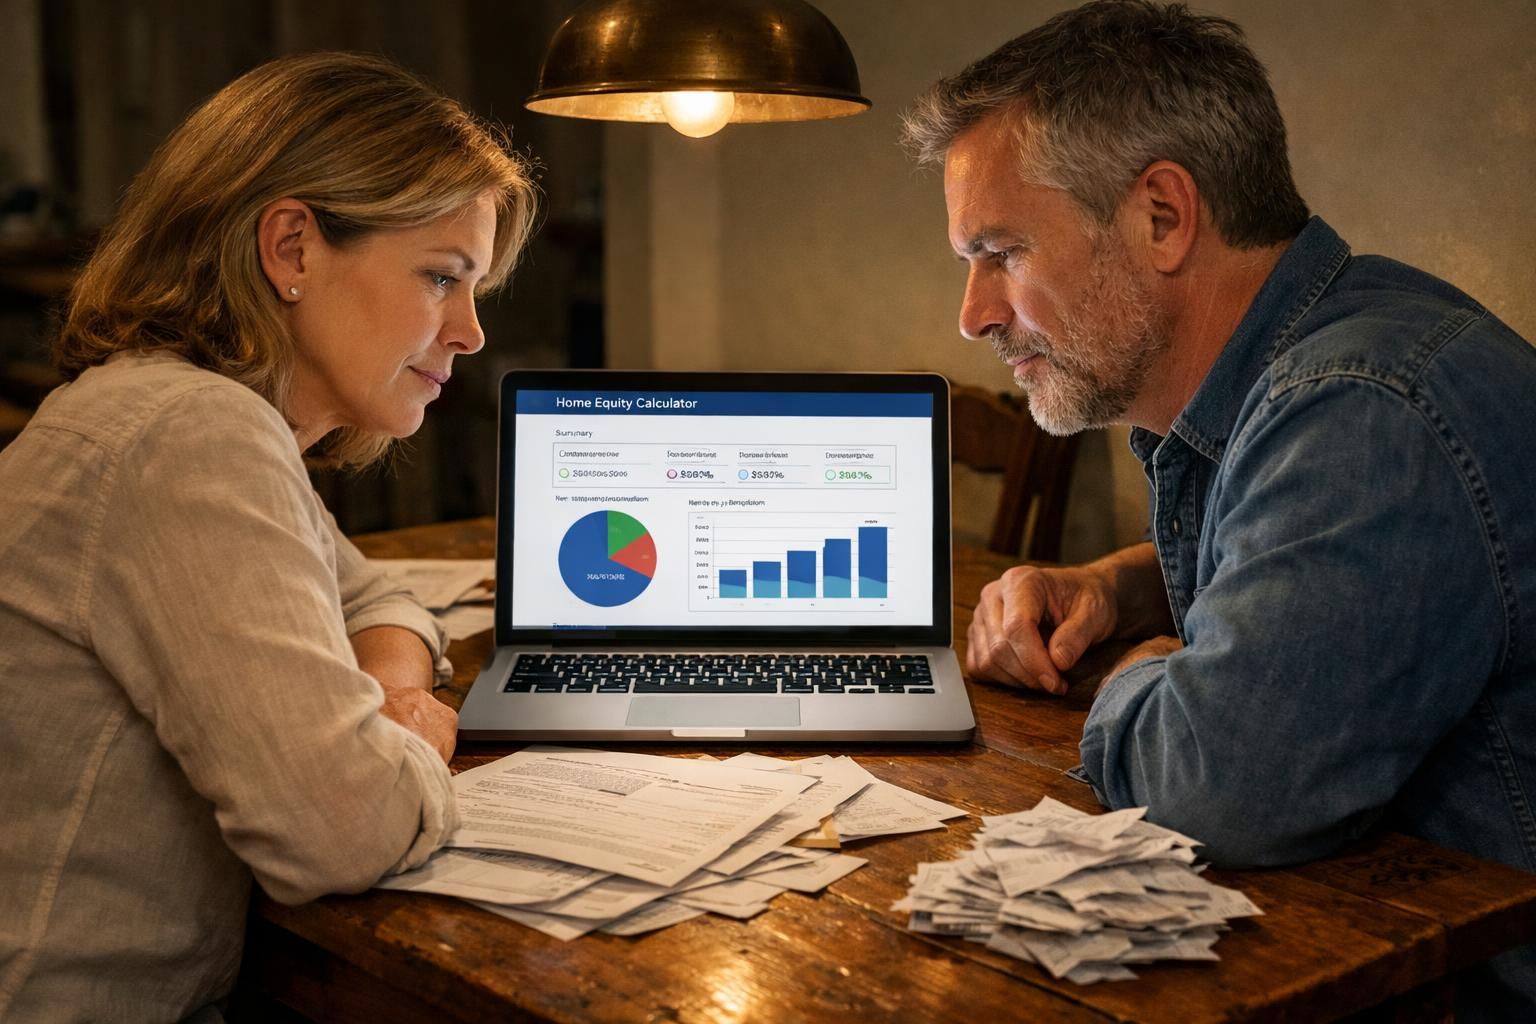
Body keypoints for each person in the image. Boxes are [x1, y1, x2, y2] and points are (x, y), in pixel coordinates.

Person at [901, 1, 1536, 1018]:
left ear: (1163, 215)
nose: (973, 312)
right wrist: (1123, 585)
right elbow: (1305, 550)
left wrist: (1138, 677)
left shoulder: (1363, 408)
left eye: (1003, 252)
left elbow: (1216, 782)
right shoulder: (1322, 364)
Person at [0, 52, 537, 1022]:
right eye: (441, 277)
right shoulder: (191, 436)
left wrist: (395, 695)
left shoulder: (169, 410)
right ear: (291, 248)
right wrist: (410, 742)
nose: (469, 332)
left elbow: (378, 596)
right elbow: (344, 829)